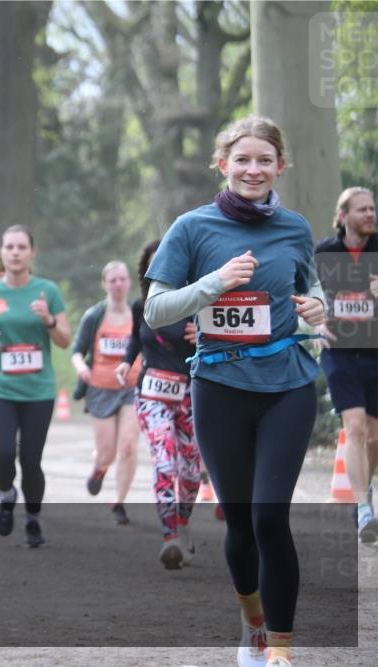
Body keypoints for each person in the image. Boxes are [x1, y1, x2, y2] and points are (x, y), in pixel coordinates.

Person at [144, 116, 327, 667]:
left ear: (280, 167)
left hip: (287, 384)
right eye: (242, 159)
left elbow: (309, 287)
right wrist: (213, 284)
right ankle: (253, 623)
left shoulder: (294, 228)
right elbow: (156, 309)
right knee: (242, 518)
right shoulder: (192, 229)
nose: (253, 169)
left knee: (272, 516)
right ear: (222, 165)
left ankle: (282, 650)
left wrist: (316, 308)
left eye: (264, 160)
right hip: (220, 386)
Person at [0, 225, 71, 547]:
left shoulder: (47, 291)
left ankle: (33, 519)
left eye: (21, 247)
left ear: (31, 253)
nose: (15, 252)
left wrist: (48, 320)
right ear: (1, 252)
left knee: (30, 459)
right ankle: (6, 493)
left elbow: (65, 341)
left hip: (38, 390)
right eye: (10, 247)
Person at [116, 240, 201, 569]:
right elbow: (137, 337)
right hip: (151, 394)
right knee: (165, 463)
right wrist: (127, 362)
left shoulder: (197, 302)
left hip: (190, 394)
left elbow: (223, 336)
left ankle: (182, 520)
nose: (162, 273)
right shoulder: (143, 305)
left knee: (191, 472)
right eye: (155, 268)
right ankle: (169, 539)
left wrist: (205, 334)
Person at [314, 186, 378, 543]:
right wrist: (317, 322)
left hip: (375, 350)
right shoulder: (326, 252)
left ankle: (362, 492)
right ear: (343, 216)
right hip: (339, 350)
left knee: (373, 436)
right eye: (362, 210)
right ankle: (364, 507)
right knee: (353, 427)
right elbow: (308, 292)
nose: (370, 214)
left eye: (372, 209)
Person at [71, 261, 142, 525]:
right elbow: (77, 350)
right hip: (100, 387)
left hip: (132, 388)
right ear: (104, 284)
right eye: (112, 280)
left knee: (127, 446)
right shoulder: (94, 315)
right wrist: (81, 369)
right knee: (107, 453)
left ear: (129, 283)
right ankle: (100, 468)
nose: (118, 285)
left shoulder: (138, 313)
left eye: (122, 279)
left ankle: (119, 503)